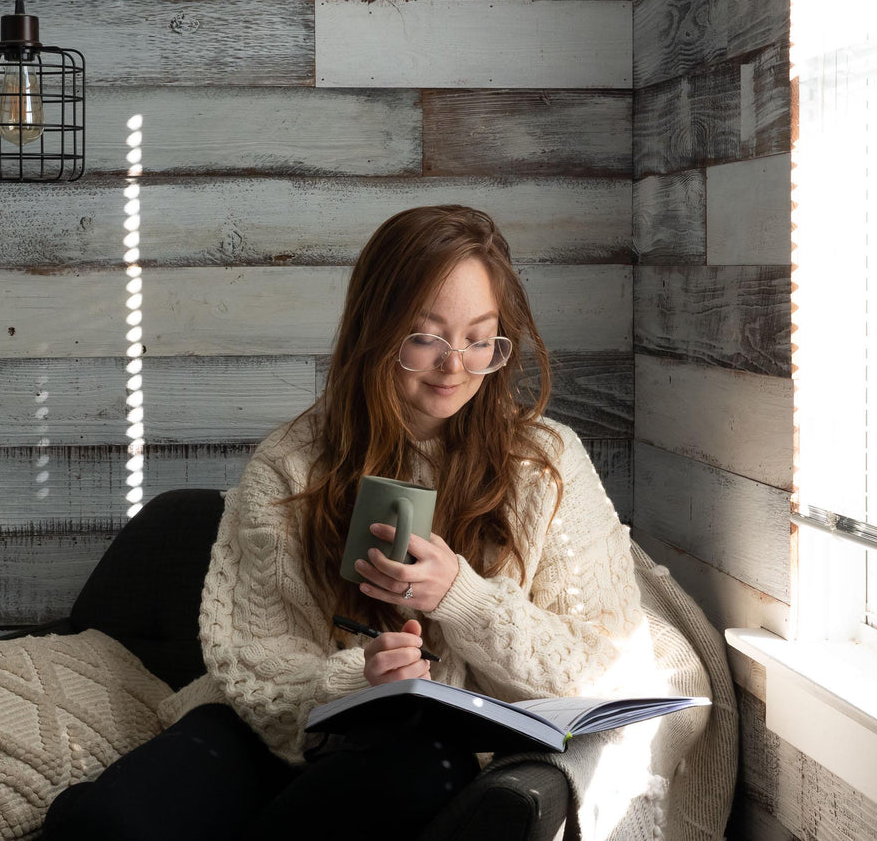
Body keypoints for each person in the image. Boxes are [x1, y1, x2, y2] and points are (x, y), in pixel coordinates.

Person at [43, 205, 682, 840]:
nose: (454, 364)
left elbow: (602, 663)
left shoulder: (544, 464)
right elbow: (251, 660)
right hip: (275, 735)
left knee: (413, 773)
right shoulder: (291, 465)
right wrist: (359, 677)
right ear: (375, 328)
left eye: (479, 339)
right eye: (426, 336)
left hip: (421, 758)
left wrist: (462, 597)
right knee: (107, 824)